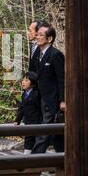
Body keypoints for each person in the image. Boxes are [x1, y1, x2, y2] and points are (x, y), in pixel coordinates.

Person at [30, 24, 65, 153]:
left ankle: (34, 161)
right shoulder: (37, 53)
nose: (37, 37)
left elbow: (62, 79)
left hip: (52, 98)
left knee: (45, 130)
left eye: (40, 35)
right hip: (40, 96)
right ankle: (61, 158)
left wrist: (63, 100)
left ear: (49, 39)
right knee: (55, 134)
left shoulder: (55, 55)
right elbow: (33, 73)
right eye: (37, 34)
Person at [14, 71, 41, 154]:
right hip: (28, 121)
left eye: (26, 80)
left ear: (32, 83)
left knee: (31, 140)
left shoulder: (36, 94)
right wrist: (17, 120)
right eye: (23, 80)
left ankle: (27, 158)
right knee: (29, 139)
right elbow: (22, 109)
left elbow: (39, 108)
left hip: (36, 121)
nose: (23, 82)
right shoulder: (24, 94)